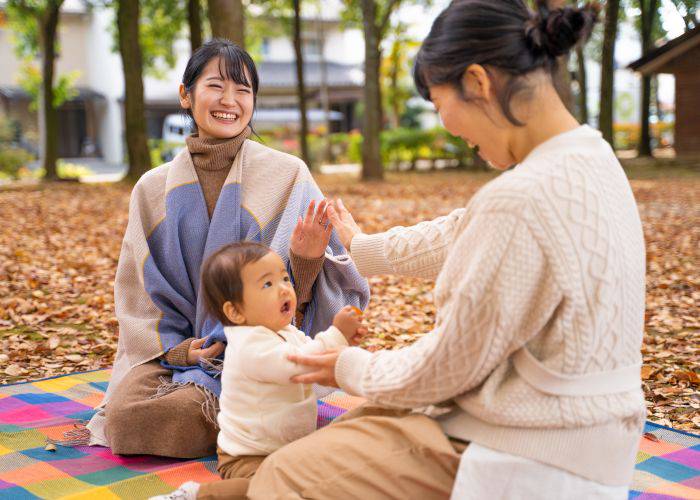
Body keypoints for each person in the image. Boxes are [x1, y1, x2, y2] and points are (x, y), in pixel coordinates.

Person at [244, 1, 646, 499]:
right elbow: (463, 233)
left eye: (439, 104)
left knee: (288, 476)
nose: (447, 125)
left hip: (528, 449)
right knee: (360, 423)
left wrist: (347, 365)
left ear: (477, 81)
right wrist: (361, 246)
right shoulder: (591, 159)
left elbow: (446, 368)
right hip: (595, 439)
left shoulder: (519, 199)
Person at [82, 39, 369, 458]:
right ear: (186, 94)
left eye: (243, 90)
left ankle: (244, 412)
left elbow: (309, 296)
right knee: (124, 419)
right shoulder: (151, 188)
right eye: (216, 86)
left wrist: (306, 260)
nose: (230, 101)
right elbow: (137, 289)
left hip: (260, 349)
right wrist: (181, 350)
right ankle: (250, 419)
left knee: (169, 417)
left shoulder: (287, 174)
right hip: (176, 353)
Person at [151, 242, 364, 500]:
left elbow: (316, 354)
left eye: (284, 278)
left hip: (287, 450)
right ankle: (197, 495)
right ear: (236, 312)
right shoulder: (248, 345)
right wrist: (336, 334)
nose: (284, 288)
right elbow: (298, 363)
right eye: (267, 284)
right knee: (267, 492)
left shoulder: (285, 331)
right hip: (249, 456)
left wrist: (342, 345)